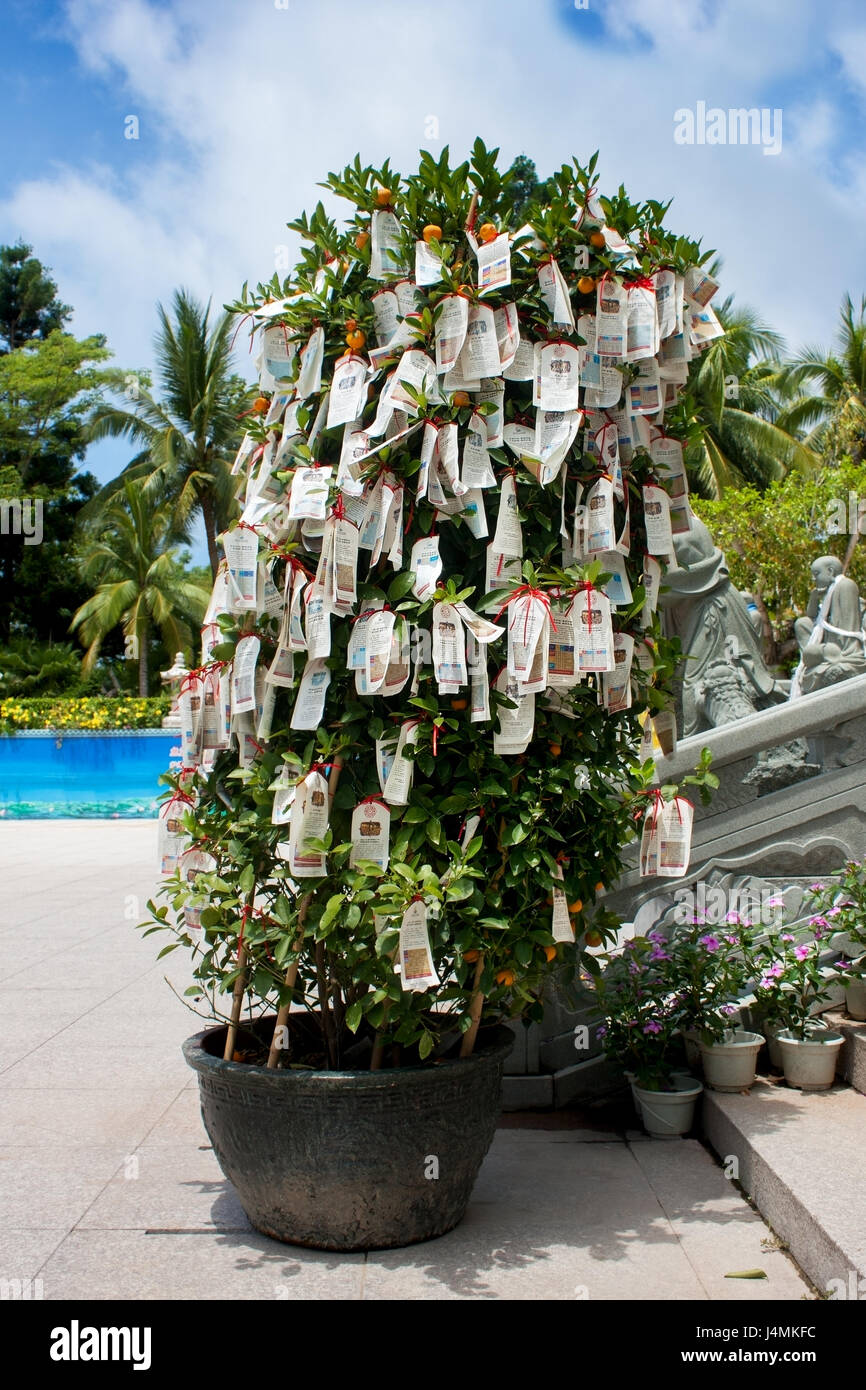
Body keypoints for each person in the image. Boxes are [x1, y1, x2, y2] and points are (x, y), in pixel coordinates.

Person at [658, 511, 786, 735]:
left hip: (711, 611)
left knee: (704, 683)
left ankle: (745, 746)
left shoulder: (685, 524)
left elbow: (690, 570)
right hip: (691, 613)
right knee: (685, 686)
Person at [791, 556, 866, 697]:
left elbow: (846, 631)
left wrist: (835, 651)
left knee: (810, 653)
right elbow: (812, 616)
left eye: (817, 574)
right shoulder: (828, 592)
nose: (814, 579)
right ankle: (821, 659)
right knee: (802, 623)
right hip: (828, 644)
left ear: (830, 571)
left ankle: (836, 661)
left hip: (843, 649)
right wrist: (814, 598)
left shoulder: (845, 586)